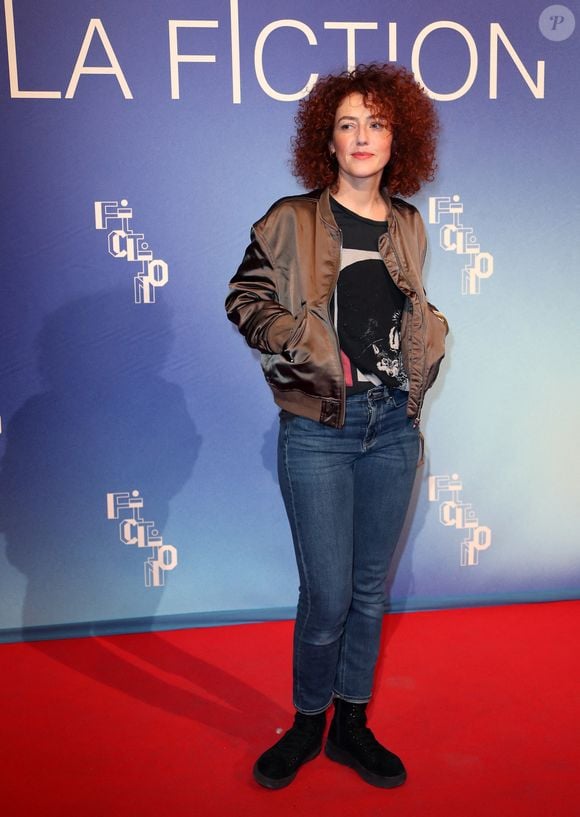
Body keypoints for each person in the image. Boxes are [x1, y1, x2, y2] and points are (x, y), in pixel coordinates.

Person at [226, 63, 448, 790]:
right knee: (325, 594)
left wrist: (432, 336)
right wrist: (302, 341)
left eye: (377, 123)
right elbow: (246, 297)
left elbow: (409, 309)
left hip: (394, 428)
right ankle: (306, 721)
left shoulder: (409, 222)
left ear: (398, 139)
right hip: (320, 428)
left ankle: (352, 724)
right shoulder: (290, 218)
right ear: (326, 137)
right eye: (348, 123)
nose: (362, 137)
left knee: (369, 591)